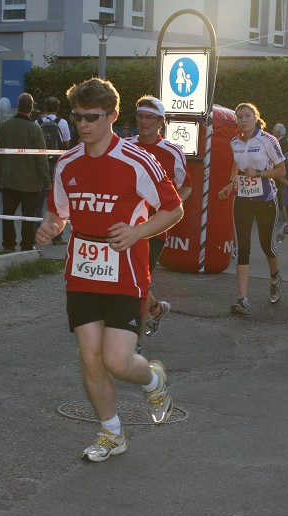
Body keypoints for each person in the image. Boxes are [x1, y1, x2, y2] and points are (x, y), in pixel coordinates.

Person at [34, 77, 183, 462]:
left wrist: (137, 231)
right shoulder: (67, 164)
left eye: (92, 117)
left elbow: (174, 209)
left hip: (126, 272)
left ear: (113, 117)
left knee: (117, 361)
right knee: (89, 357)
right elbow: (59, 211)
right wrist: (50, 225)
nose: (83, 125)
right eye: (78, 117)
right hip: (81, 271)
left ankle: (153, 378)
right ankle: (111, 433)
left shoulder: (138, 161)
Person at [127, 95, 193, 349]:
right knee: (129, 279)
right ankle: (154, 309)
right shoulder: (126, 145)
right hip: (127, 225)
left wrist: (170, 210)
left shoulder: (172, 151)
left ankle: (137, 341)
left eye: (150, 118)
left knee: (140, 282)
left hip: (154, 230)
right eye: (141, 117)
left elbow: (186, 187)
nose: (144, 122)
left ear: (161, 123)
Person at [218, 102, 286, 315]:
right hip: (243, 200)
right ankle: (242, 298)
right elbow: (237, 165)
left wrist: (257, 173)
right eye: (239, 117)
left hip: (266, 200)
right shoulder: (234, 142)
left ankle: (275, 278)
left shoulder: (268, 140)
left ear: (255, 117)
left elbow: (281, 170)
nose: (243, 120)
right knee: (243, 248)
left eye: (247, 116)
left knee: (267, 245)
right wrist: (230, 185)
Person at [0, 93, 51, 247]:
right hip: (30, 182)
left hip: (9, 179)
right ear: (32, 108)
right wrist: (47, 182)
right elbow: (41, 158)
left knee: (8, 214)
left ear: (18, 107)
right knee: (28, 216)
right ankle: (27, 244)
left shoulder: (4, 127)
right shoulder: (35, 129)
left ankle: (9, 244)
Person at [36, 96, 72, 244]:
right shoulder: (62, 122)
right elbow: (67, 142)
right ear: (57, 108)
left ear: (45, 107)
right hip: (57, 163)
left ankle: (36, 232)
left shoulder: (37, 122)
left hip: (41, 162)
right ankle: (57, 237)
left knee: (38, 199)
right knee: (57, 201)